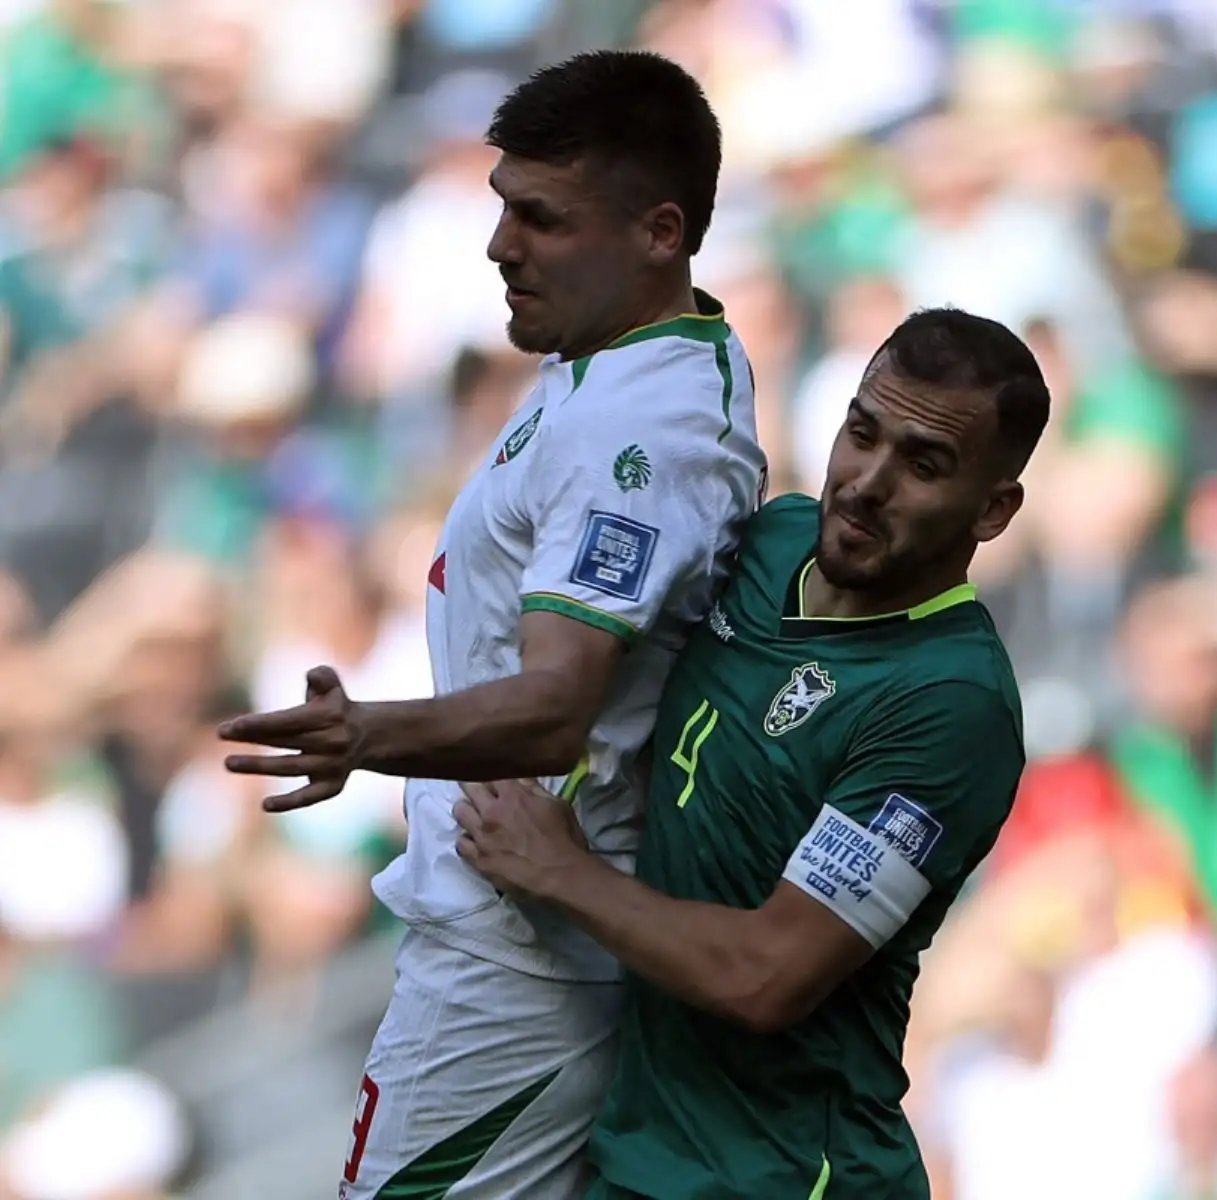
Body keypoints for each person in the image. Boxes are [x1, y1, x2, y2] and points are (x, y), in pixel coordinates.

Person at [216, 51, 766, 1199]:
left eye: (541, 217)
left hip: (523, 964)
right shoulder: (602, 368)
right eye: (500, 207)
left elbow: (558, 707)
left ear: (661, 232)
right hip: (504, 943)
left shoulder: (642, 433)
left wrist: (366, 736)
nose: (499, 245)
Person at [453, 307, 1047, 1199]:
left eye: (922, 465)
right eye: (862, 433)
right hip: (641, 1151)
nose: (867, 483)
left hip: (783, 1177)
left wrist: (559, 870)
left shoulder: (948, 703)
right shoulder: (773, 541)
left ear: (994, 509)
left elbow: (767, 974)